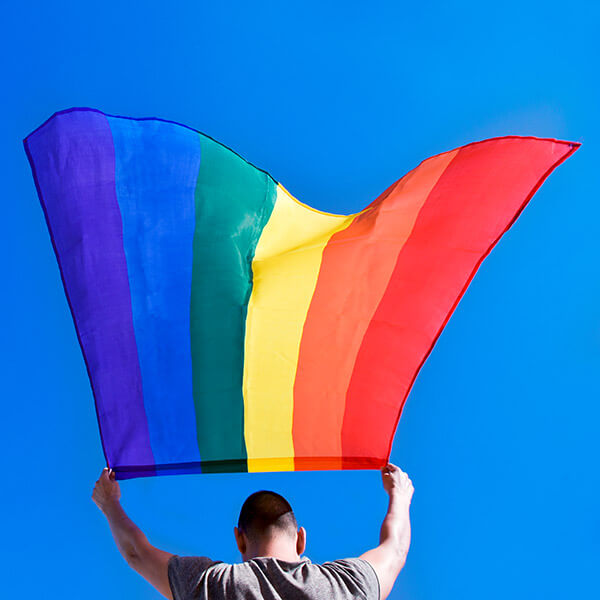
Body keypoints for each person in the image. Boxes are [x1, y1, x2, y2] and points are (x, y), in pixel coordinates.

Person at [92, 462, 413, 600]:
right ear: (301, 538)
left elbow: (137, 553)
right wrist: (399, 495)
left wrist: (110, 504)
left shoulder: (211, 584)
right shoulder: (344, 586)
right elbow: (395, 548)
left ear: (239, 539)